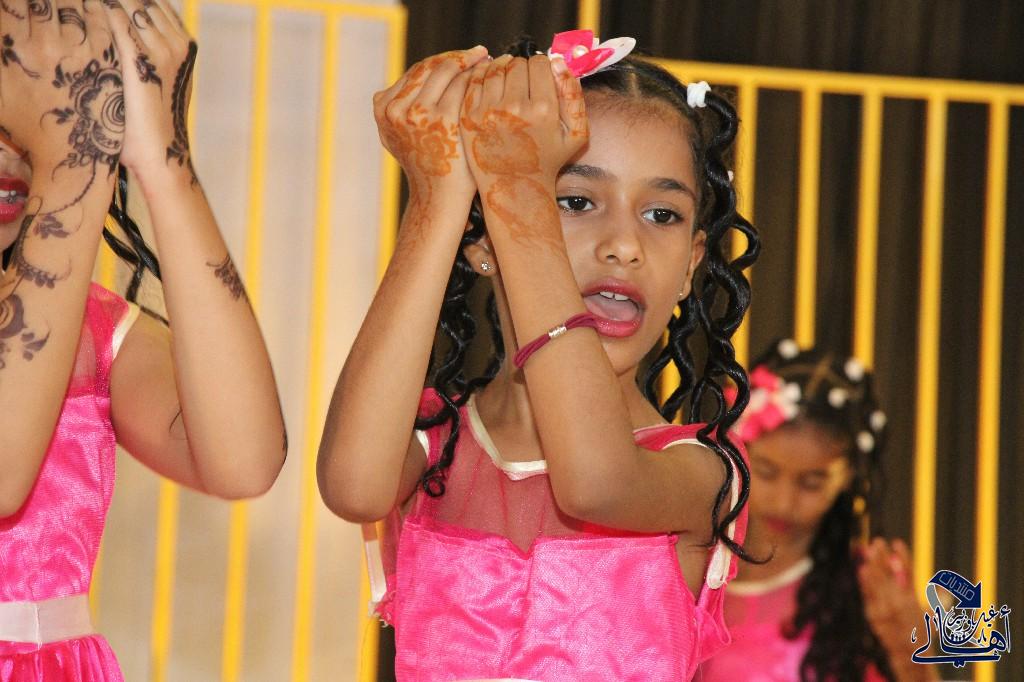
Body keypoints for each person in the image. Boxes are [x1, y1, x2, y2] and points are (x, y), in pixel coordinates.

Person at [318, 29, 758, 680]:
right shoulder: (434, 446)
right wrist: (438, 198)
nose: (624, 245)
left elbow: (595, 484)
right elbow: (353, 486)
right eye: (576, 201)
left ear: (693, 264)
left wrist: (518, 191)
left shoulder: (701, 472)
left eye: (662, 215)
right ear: (483, 242)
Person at [0, 3, 286, 679]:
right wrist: (73, 165)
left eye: (60, 93)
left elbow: (243, 462)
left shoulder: (91, 327)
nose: (19, 143)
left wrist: (164, 164)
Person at [698, 341, 934, 682]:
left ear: (848, 475)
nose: (784, 502)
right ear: (738, 450)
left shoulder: (869, 592)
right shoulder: (690, 566)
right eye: (766, 472)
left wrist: (909, 659)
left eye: (812, 483)